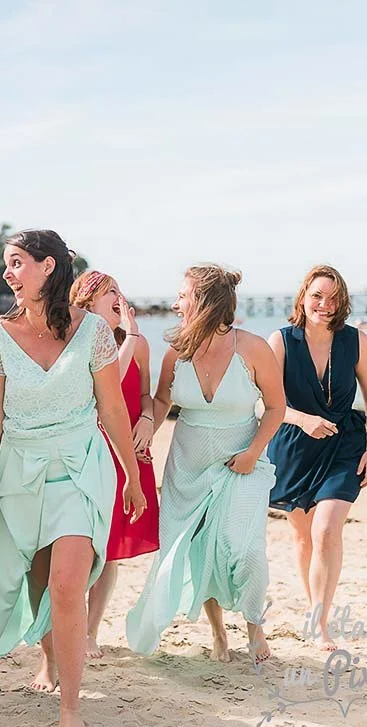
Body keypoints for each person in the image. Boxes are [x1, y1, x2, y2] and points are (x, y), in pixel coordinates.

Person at [0, 231, 146, 727]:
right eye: (8, 264)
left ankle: (70, 709)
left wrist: (131, 474)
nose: (9, 273)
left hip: (80, 468)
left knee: (69, 584)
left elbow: (112, 408)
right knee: (38, 582)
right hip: (19, 473)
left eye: (17, 263)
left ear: (49, 267)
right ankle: (49, 658)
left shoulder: (93, 331)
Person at [126, 265, 284, 665]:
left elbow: (276, 407)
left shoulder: (252, 348)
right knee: (201, 550)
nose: (176, 303)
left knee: (245, 549)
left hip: (242, 462)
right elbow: (162, 401)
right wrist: (148, 425)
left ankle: (254, 624)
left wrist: (252, 453)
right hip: (188, 465)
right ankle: (218, 633)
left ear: (203, 301)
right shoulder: (177, 350)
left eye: (183, 295)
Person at [267, 265, 367, 651]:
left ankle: (320, 620)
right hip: (295, 447)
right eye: (318, 295)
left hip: (343, 445)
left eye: (333, 297)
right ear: (303, 296)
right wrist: (303, 419)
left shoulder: (357, 341)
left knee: (326, 530)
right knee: (303, 538)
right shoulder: (281, 341)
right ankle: (314, 609)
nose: (325, 304)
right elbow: (266, 402)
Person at [68, 270, 160, 659]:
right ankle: (69, 630)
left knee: (111, 549)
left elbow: (146, 395)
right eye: (110, 293)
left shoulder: (136, 344)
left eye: (120, 291)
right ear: (88, 302)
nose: (120, 299)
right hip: (94, 449)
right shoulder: (79, 341)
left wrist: (149, 420)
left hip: (131, 451)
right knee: (85, 545)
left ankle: (90, 632)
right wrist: (133, 335)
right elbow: (106, 385)